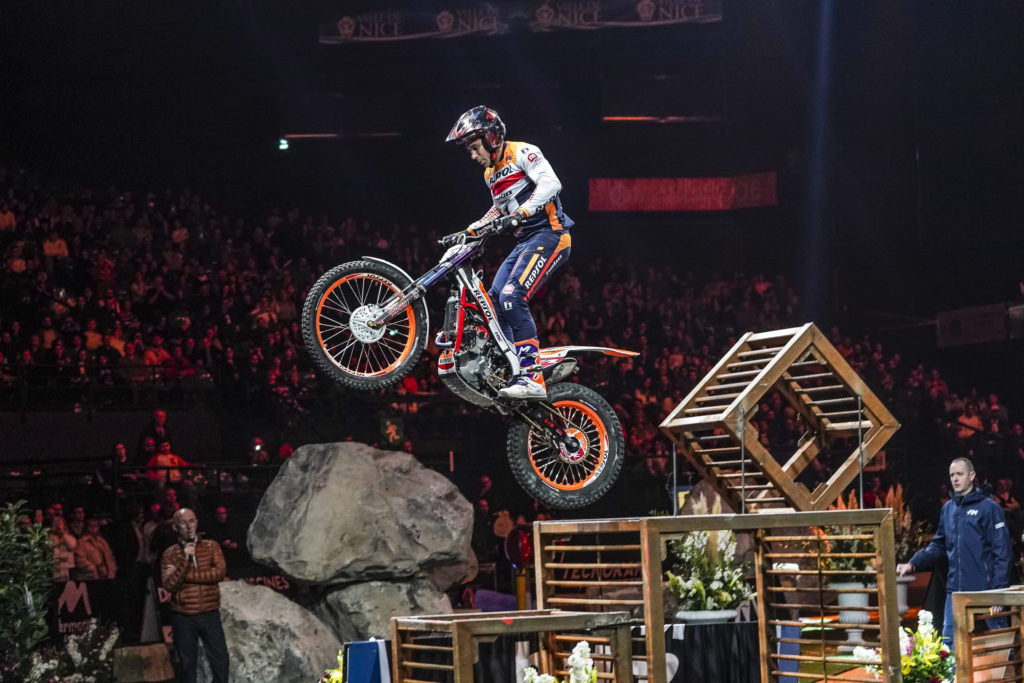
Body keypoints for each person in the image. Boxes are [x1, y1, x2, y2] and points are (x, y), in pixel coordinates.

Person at [443, 105, 573, 399]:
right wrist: (469, 230)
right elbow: (498, 209)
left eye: (474, 147)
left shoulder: (523, 151)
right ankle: (514, 369)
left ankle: (532, 376)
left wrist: (522, 213)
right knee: (494, 302)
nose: (472, 155)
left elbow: (551, 183)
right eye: (469, 150)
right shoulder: (490, 173)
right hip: (525, 243)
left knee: (512, 296)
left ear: (492, 137)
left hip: (550, 235)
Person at [896, 457, 1012, 649]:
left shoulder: (989, 508)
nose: (955, 479)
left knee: (1001, 644)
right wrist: (913, 563)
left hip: (986, 590)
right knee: (949, 646)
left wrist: (998, 591)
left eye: (960, 474)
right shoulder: (948, 509)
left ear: (971, 476)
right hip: (955, 592)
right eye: (952, 475)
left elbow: (1002, 552)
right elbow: (939, 545)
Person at [160, 508, 229, 683]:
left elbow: (219, 573)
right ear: (175, 527)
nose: (189, 526)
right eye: (183, 523)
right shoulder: (170, 554)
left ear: (197, 523)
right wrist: (185, 559)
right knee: (187, 666)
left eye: (191, 521)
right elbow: (170, 584)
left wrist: (186, 576)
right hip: (184, 617)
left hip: (209, 614)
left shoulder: (211, 546)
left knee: (221, 662)